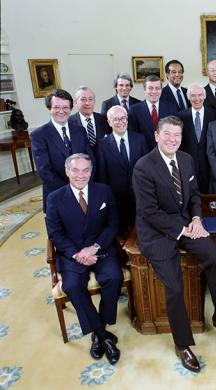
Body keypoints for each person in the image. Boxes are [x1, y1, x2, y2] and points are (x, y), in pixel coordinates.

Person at [132, 116, 216, 373]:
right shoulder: (143, 166)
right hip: (157, 232)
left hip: (186, 223)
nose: (173, 139)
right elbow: (149, 212)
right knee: (174, 285)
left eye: (177, 135)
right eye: (168, 134)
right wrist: (184, 229)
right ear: (156, 136)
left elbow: (194, 194)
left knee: (215, 256)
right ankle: (182, 344)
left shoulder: (185, 159)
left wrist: (195, 219)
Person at [46, 153, 123, 365]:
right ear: (67, 171)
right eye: (75, 170)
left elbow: (113, 224)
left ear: (91, 171)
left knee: (114, 277)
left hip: (100, 248)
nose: (81, 175)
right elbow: (55, 234)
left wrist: (95, 247)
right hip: (72, 254)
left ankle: (101, 327)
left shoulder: (104, 191)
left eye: (85, 170)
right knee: (71, 285)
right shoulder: (54, 198)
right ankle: (102, 335)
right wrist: (77, 253)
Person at [31, 89, 95, 211]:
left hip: (85, 190)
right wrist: (71, 191)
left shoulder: (80, 131)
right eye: (56, 107)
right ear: (49, 109)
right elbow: (45, 170)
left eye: (65, 107)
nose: (61, 111)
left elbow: (91, 160)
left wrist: (85, 185)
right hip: (58, 194)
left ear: (71, 109)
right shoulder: (39, 135)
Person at [96, 106, 149, 234]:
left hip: (140, 194)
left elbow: (148, 168)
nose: (120, 122)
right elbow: (102, 175)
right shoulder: (102, 145)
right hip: (117, 197)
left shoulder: (140, 139)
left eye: (123, 118)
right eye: (116, 119)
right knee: (122, 231)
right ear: (109, 122)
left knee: (143, 228)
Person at [178, 83, 216, 193]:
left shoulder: (214, 115)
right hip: (188, 166)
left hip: (209, 166)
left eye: (200, 95)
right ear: (188, 97)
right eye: (193, 95)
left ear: (204, 96)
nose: (197, 99)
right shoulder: (181, 116)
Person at [128, 75, 177, 150]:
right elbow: (133, 136)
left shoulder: (171, 108)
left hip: (167, 152)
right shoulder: (134, 110)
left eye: (157, 88)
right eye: (150, 88)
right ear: (144, 90)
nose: (154, 91)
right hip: (143, 154)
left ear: (161, 90)